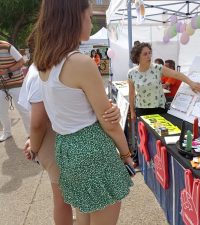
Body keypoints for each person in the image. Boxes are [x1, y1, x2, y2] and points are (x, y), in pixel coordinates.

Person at [32, 1, 133, 225]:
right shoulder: (80, 62)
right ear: (75, 18)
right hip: (92, 150)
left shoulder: (45, 62)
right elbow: (108, 122)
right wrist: (127, 155)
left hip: (67, 149)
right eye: (88, 17)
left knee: (85, 217)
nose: (90, 22)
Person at [19, 32, 122, 225]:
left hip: (63, 142)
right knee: (66, 201)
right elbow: (38, 121)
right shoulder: (60, 66)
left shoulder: (44, 68)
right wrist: (125, 154)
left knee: (79, 203)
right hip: (64, 142)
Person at [128, 42, 200, 119]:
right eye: (145, 54)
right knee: (143, 130)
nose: (149, 56)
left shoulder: (158, 68)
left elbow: (176, 74)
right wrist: (132, 111)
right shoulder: (131, 73)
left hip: (159, 108)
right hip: (141, 109)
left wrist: (191, 83)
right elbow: (131, 93)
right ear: (137, 57)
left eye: (150, 53)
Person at [0, 40, 30, 142]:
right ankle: (7, 132)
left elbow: (22, 61)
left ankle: (31, 135)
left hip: (16, 82)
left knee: (23, 109)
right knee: (1, 111)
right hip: (1, 85)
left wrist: (7, 71)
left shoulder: (7, 46)